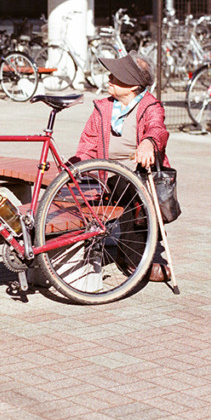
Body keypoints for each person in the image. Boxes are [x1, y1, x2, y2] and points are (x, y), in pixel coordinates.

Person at [73, 52, 171, 282]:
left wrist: (149, 142)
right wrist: (76, 164)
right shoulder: (103, 108)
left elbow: (157, 129)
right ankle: (135, 261)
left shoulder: (150, 106)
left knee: (132, 193)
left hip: (141, 176)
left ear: (133, 86)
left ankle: (135, 261)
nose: (109, 78)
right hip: (109, 177)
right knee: (125, 190)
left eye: (115, 76)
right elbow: (88, 143)